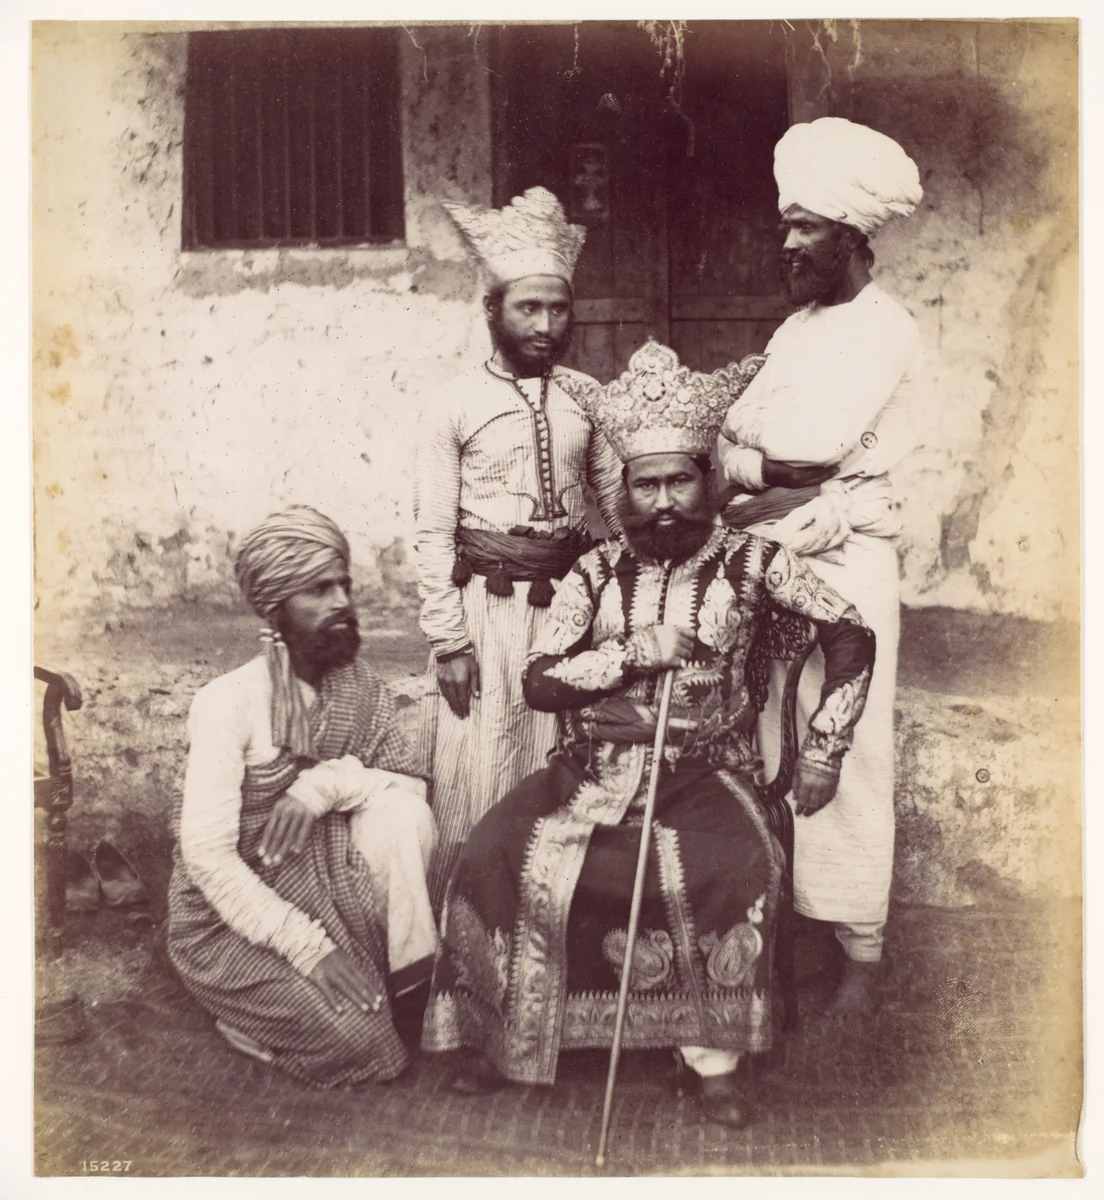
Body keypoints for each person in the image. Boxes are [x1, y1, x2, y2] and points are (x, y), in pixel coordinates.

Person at [421, 341, 876, 1127]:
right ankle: (509, 1040)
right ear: (624, 489)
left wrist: (828, 745)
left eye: (679, 480)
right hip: (590, 769)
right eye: (646, 483)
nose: (664, 500)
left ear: (706, 480)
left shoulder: (755, 561)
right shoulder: (594, 571)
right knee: (496, 850)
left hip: (709, 771)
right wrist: (632, 654)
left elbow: (851, 635)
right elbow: (539, 680)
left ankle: (713, 1059)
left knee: (733, 865)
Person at [716, 116, 926, 1019]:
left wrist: (764, 469)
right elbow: (734, 437)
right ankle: (790, 924)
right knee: (773, 733)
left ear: (854, 235)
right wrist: (765, 473)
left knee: (846, 744)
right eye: (786, 224)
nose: (788, 241)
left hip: (849, 563)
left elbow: (807, 446)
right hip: (776, 555)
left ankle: (861, 952)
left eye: (807, 225)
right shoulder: (797, 328)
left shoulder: (884, 330)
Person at [167, 506, 438, 1087]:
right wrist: (310, 950)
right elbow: (207, 859)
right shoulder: (228, 701)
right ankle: (237, 1014)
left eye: (344, 584)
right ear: (275, 608)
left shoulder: (358, 686)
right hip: (233, 916)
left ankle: (382, 983)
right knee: (364, 1045)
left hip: (331, 884)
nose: (342, 601)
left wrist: (320, 787)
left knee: (402, 812)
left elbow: (411, 786)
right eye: (319, 589)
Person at [414, 186, 622, 909]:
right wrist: (448, 642)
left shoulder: (587, 398)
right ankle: (465, 935)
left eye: (557, 308)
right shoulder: (453, 404)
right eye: (527, 308)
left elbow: (619, 509)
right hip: (484, 611)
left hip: (566, 613)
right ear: (493, 310)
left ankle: (552, 929)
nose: (544, 324)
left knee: (558, 763)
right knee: (479, 766)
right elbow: (432, 532)